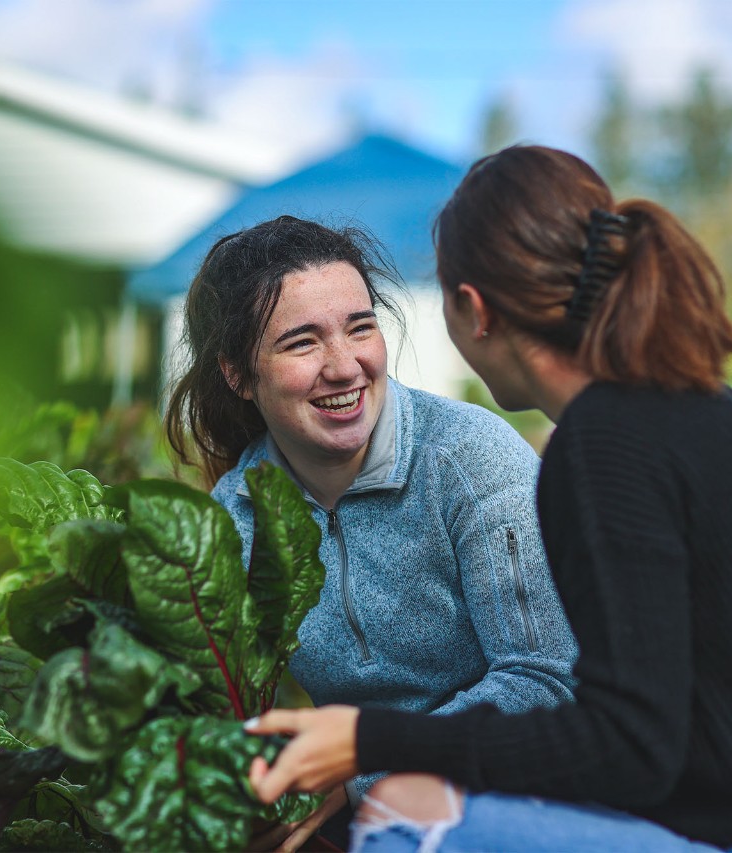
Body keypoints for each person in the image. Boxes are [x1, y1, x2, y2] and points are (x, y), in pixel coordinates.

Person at [243, 149, 732, 852]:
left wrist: (371, 739)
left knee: (405, 813)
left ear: (473, 309)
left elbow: (631, 744)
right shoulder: (693, 403)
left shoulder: (603, 446)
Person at [164, 215, 579, 849]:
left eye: (360, 327)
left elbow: (547, 681)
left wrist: (357, 771)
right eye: (302, 342)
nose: (344, 365)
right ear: (239, 375)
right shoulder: (235, 518)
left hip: (523, 800)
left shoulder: (469, 461)